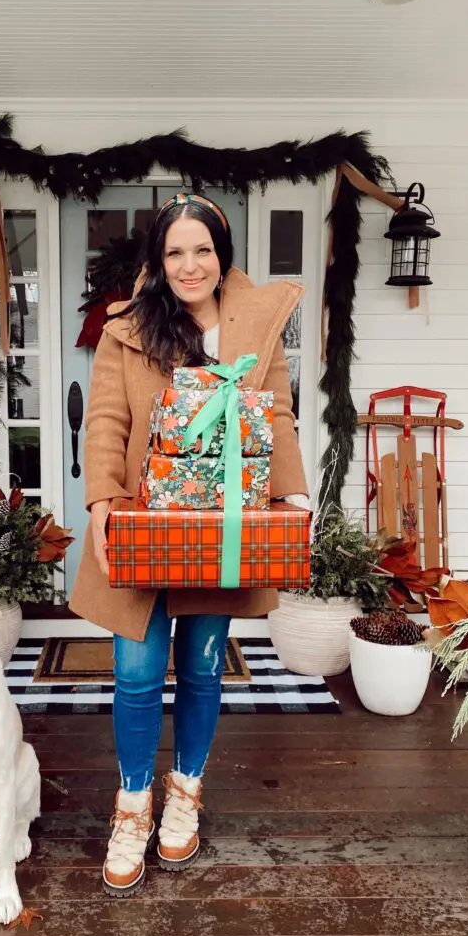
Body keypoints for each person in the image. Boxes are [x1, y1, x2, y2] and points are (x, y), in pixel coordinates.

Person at [68, 192, 309, 897]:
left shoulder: (255, 330)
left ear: (221, 255)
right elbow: (105, 420)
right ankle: (132, 806)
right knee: (137, 673)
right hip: (145, 527)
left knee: (204, 671)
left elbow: (278, 416)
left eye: (202, 249)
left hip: (220, 530)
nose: (189, 265)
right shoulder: (126, 329)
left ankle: (185, 793)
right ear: (158, 259)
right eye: (175, 251)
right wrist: (102, 503)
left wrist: (294, 497)